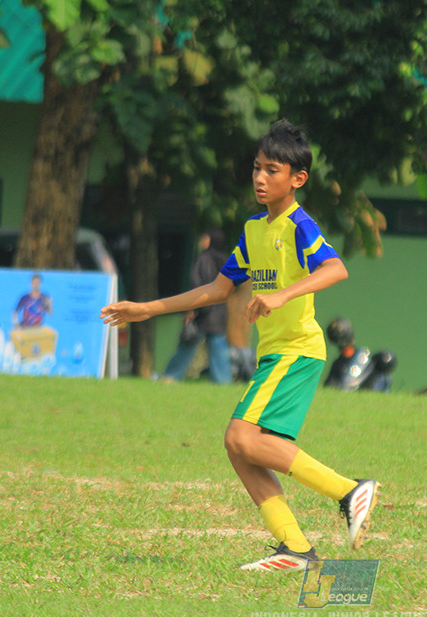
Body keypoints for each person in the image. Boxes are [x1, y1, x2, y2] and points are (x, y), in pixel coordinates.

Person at [101, 119, 379, 571]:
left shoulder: (298, 224)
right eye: (257, 168)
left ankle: (350, 491)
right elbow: (217, 290)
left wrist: (283, 294)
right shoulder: (254, 230)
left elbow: (335, 269)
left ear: (297, 179)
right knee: (240, 447)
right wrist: (148, 309)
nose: (260, 178)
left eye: (272, 170)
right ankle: (297, 549)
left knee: (238, 436)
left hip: (297, 350)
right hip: (278, 353)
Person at [162, 228, 231, 384]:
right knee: (219, 350)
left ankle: (171, 376)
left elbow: (198, 284)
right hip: (219, 313)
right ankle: (224, 382)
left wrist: (192, 310)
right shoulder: (227, 260)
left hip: (203, 312)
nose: (202, 241)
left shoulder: (204, 259)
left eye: (205, 238)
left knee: (187, 345)